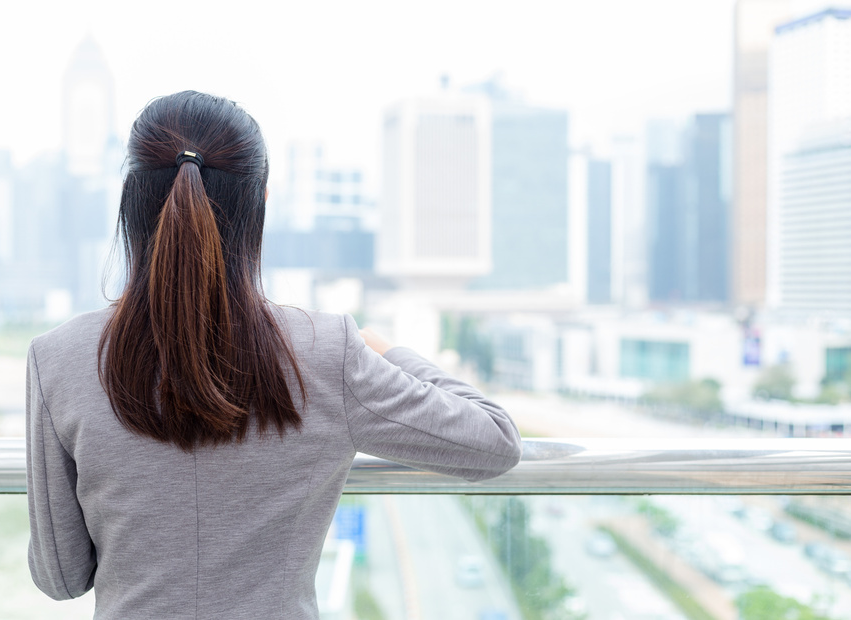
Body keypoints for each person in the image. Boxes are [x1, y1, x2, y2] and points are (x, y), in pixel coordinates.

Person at [26, 90, 522, 619]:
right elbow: (494, 441)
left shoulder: (57, 359)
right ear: (260, 201)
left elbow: (62, 577)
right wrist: (389, 350)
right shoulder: (327, 352)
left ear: (130, 197)